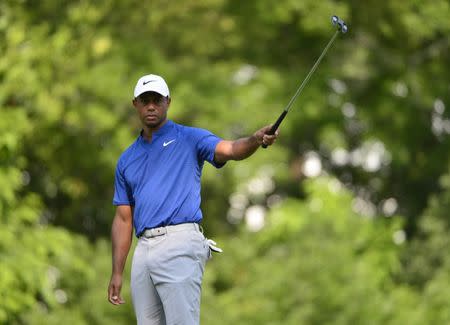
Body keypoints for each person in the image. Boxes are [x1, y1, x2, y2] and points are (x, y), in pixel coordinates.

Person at [107, 74, 278, 325]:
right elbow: (123, 220)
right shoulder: (127, 159)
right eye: (145, 101)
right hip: (143, 250)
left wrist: (254, 139)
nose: (151, 105)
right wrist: (117, 272)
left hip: (179, 241)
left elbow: (230, 149)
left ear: (168, 102)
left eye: (157, 99)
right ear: (136, 104)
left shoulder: (190, 138)